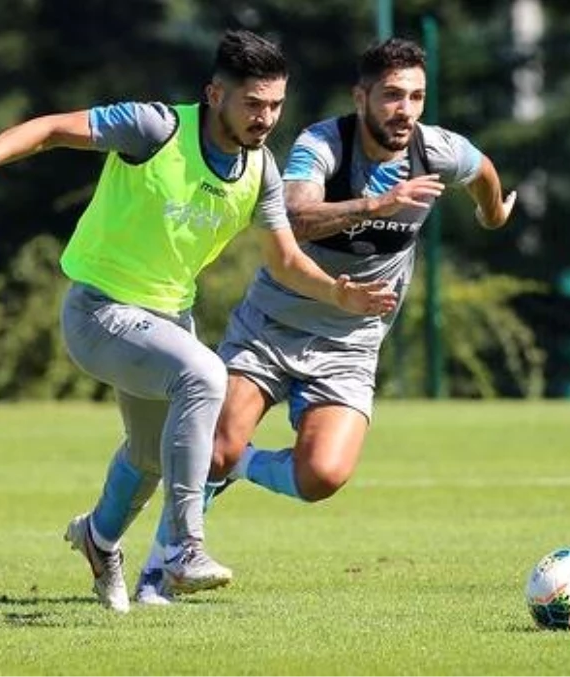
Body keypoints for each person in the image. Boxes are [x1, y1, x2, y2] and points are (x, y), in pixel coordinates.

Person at [0, 30, 398, 614]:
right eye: (253, 104)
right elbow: (48, 129)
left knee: (146, 457)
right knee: (206, 375)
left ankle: (98, 538)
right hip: (98, 311)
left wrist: (338, 294)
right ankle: (186, 547)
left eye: (275, 105)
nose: (266, 118)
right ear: (216, 94)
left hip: (166, 320)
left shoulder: (260, 169)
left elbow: (286, 260)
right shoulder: (154, 128)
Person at [133, 37, 516, 604]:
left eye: (415, 96)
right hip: (270, 328)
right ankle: (162, 567)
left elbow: (482, 169)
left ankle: (239, 468)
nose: (404, 109)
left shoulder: (437, 151)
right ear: (361, 96)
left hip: (350, 345)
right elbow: (294, 215)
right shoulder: (323, 143)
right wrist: (374, 206)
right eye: (390, 95)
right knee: (212, 446)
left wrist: (491, 212)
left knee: (322, 477)